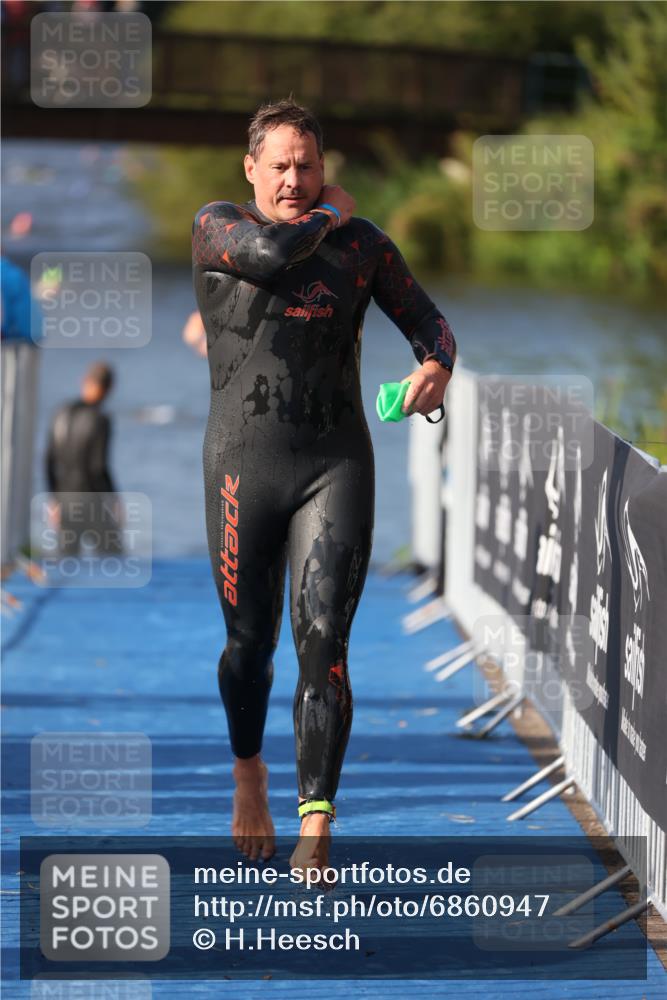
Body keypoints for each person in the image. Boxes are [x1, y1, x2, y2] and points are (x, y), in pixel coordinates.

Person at [192, 99, 457, 878]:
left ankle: (317, 820)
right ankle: (250, 774)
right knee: (249, 646)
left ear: (323, 165)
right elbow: (272, 257)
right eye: (280, 165)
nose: (294, 180)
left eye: (308, 167)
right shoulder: (216, 226)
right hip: (243, 462)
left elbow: (430, 325)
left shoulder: (365, 249)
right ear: (251, 169)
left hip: (334, 462)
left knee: (323, 645)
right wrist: (332, 216)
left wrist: (434, 368)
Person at [45, 361, 122, 556]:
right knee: (114, 558)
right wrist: (114, 500)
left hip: (64, 499)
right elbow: (98, 467)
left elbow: (48, 460)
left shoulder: (60, 414)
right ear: (109, 388)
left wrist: (54, 500)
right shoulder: (100, 419)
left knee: (66, 561)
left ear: (84, 381)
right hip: (90, 500)